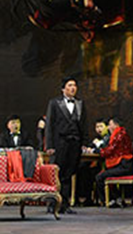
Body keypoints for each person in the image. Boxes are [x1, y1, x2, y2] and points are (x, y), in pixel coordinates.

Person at [45, 76, 86, 214]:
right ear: (63, 89)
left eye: (74, 85)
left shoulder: (80, 103)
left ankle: (65, 204)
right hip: (59, 142)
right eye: (69, 85)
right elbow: (49, 125)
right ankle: (53, 204)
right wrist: (49, 145)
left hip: (74, 142)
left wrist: (84, 143)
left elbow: (83, 125)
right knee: (57, 173)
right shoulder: (54, 103)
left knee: (68, 174)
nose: (73, 88)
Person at [92, 117, 133, 207]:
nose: (108, 127)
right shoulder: (122, 133)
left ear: (116, 125)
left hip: (124, 165)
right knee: (106, 173)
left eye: (110, 125)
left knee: (99, 177)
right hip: (125, 164)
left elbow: (110, 150)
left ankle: (109, 200)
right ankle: (116, 198)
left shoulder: (119, 135)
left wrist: (98, 151)